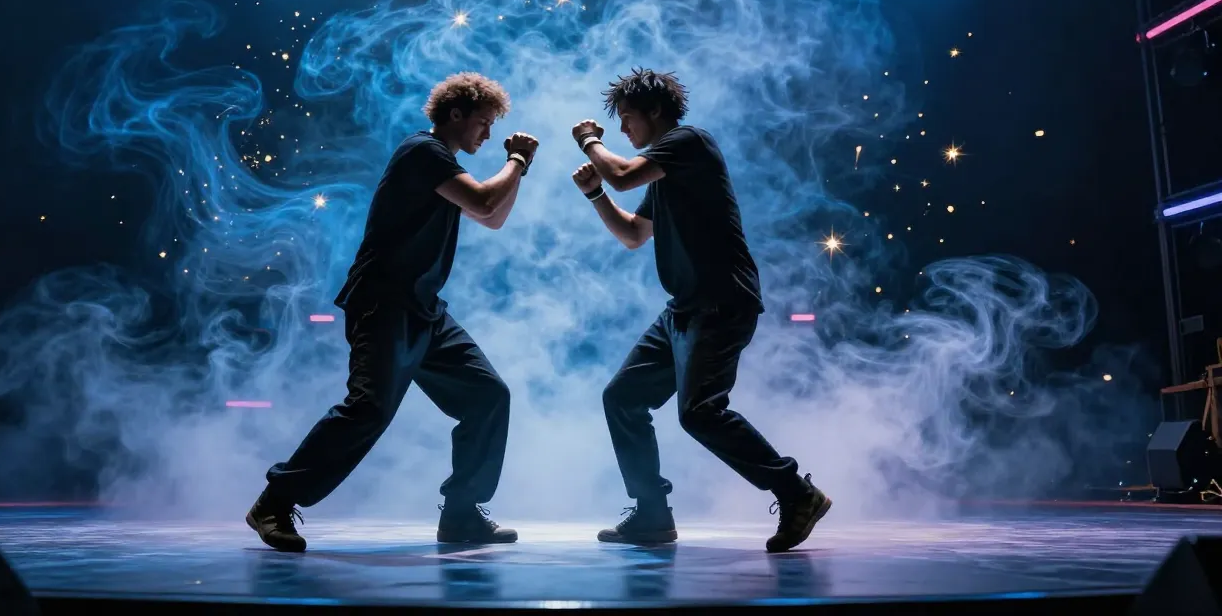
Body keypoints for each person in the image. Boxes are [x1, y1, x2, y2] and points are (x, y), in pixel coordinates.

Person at [247, 72, 536, 552]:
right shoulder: (423, 151)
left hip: (423, 309)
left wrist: (518, 170)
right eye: (484, 122)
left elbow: (492, 216)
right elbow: (486, 201)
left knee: (487, 396)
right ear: (456, 114)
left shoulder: (444, 165)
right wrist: (518, 159)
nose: (488, 134)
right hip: (384, 301)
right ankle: (274, 502)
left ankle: (461, 513)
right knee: (368, 409)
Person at [569, 67, 831, 553]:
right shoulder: (665, 172)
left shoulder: (689, 142)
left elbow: (621, 174)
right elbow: (633, 234)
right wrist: (594, 194)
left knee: (701, 412)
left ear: (654, 111)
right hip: (683, 310)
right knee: (623, 398)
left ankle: (797, 492)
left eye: (626, 118)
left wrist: (588, 140)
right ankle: (651, 513)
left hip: (720, 300)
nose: (622, 129)